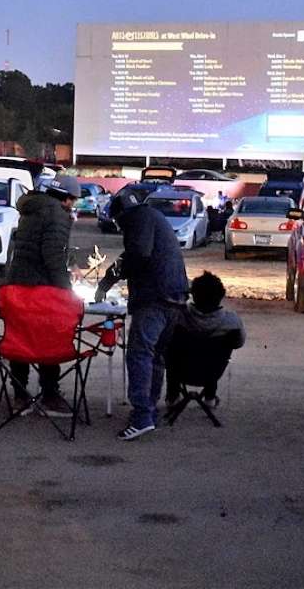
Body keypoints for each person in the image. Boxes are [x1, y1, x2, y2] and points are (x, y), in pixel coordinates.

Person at [96, 188, 189, 441]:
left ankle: (141, 417)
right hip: (175, 296)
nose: (119, 227)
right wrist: (108, 280)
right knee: (156, 355)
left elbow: (137, 254)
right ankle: (149, 411)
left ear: (122, 214)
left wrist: (108, 283)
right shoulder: (152, 217)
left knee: (139, 354)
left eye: (118, 222)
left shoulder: (137, 220)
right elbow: (134, 254)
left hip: (155, 298)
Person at [2, 173, 82, 417]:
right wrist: (66, 292)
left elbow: (42, 245)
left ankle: (20, 396)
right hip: (41, 289)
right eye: (74, 201)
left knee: (20, 340)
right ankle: (49, 395)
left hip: (17, 284)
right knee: (49, 340)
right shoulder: (57, 214)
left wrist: (73, 261)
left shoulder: (32, 208)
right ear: (67, 199)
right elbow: (53, 255)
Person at [167, 271, 246, 406]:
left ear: (193, 295)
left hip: (180, 370)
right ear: (221, 295)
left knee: (172, 350)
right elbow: (239, 343)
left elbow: (165, 338)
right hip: (212, 373)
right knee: (213, 356)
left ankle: (173, 396)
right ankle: (210, 396)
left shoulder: (178, 316)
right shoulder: (231, 321)